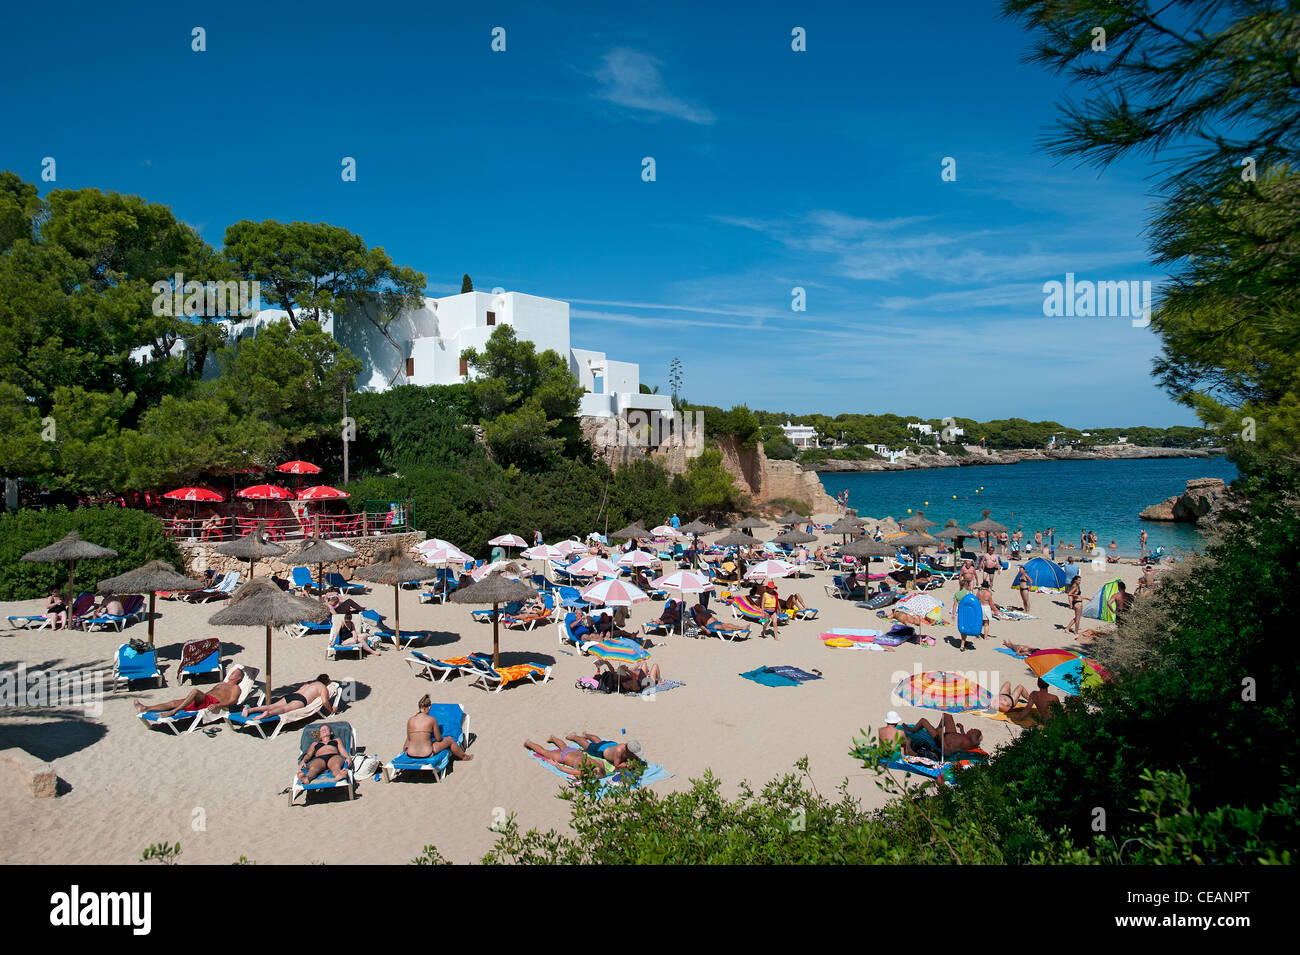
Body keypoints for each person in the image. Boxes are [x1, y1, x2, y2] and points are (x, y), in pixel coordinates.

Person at [134, 666, 247, 717]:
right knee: (173, 702)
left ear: (239, 678)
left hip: (213, 703)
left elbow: (233, 701)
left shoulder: (235, 688)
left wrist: (218, 705)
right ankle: (145, 708)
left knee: (195, 691)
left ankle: (173, 712)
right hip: (204, 699)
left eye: (235, 674)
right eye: (232, 672)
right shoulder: (221, 684)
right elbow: (208, 693)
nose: (232, 674)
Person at [404, 694, 473, 762]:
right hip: (426, 754)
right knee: (450, 740)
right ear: (429, 707)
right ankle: (464, 757)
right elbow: (438, 739)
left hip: (410, 754)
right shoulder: (432, 720)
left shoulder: (410, 720)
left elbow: (409, 739)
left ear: (419, 707)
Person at [241, 674, 335, 720]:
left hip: (293, 695)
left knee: (272, 705)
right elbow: (324, 702)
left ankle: (249, 710)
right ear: (326, 682)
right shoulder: (322, 687)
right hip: (301, 699)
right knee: (284, 709)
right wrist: (331, 710)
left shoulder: (308, 683)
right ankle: (268, 714)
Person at [525, 738, 612, 778]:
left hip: (575, 752)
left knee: (563, 746)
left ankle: (553, 738)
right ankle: (528, 743)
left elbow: (601, 762)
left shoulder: (599, 764)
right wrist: (555, 764)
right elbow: (565, 770)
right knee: (543, 752)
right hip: (564, 757)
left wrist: (603, 771)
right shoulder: (582, 771)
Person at [592, 657, 662, 692]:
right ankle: (658, 681)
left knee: (644, 664)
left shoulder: (623, 680)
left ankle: (655, 678)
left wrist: (605, 662)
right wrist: (626, 670)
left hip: (639, 680)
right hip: (646, 682)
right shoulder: (634, 687)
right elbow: (634, 677)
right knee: (654, 665)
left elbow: (612, 671)